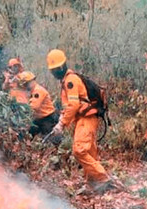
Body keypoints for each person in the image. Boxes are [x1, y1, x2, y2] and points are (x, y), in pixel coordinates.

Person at [47, 49, 113, 192]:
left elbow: (74, 105)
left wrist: (62, 124)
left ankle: (103, 179)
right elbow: (69, 105)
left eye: (54, 70)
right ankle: (92, 184)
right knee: (90, 152)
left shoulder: (70, 80)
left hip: (86, 118)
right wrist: (61, 117)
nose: (53, 73)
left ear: (60, 67)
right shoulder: (67, 81)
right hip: (85, 119)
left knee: (79, 150)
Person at [16, 71, 58, 136]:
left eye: (26, 84)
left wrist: (22, 108)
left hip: (48, 119)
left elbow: (34, 107)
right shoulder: (33, 91)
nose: (25, 87)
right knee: (29, 133)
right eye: (24, 85)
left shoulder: (38, 91)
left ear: (31, 81)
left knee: (52, 139)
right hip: (39, 118)